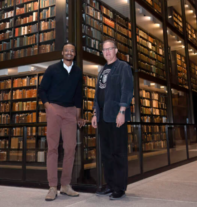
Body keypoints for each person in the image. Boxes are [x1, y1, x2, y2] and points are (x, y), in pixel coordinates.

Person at [38, 43, 86, 201]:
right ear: (62, 52)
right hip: (54, 109)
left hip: (71, 112)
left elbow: (79, 95)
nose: (70, 53)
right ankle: (52, 186)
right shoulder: (52, 69)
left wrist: (78, 116)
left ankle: (65, 185)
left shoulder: (78, 72)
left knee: (70, 148)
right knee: (52, 148)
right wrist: (49, 108)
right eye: (67, 50)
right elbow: (42, 90)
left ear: (74, 54)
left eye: (72, 50)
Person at [91, 39, 133, 200]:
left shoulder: (123, 67)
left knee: (118, 153)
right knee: (106, 154)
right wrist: (95, 113)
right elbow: (97, 95)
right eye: (104, 50)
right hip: (103, 118)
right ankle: (110, 185)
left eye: (110, 49)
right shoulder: (102, 70)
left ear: (116, 50)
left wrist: (122, 110)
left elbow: (127, 89)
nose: (107, 52)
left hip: (116, 117)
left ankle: (120, 188)